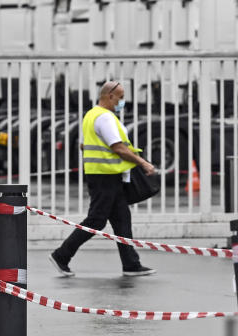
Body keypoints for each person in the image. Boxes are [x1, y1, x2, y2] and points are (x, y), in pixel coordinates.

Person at [49, 80, 157, 277]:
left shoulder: (91, 115)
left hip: (105, 175)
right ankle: (61, 256)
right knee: (97, 220)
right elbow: (117, 147)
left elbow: (84, 146)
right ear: (110, 96)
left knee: (122, 219)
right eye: (121, 98)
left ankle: (131, 264)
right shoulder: (105, 118)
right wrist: (143, 162)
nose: (122, 102)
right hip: (104, 176)